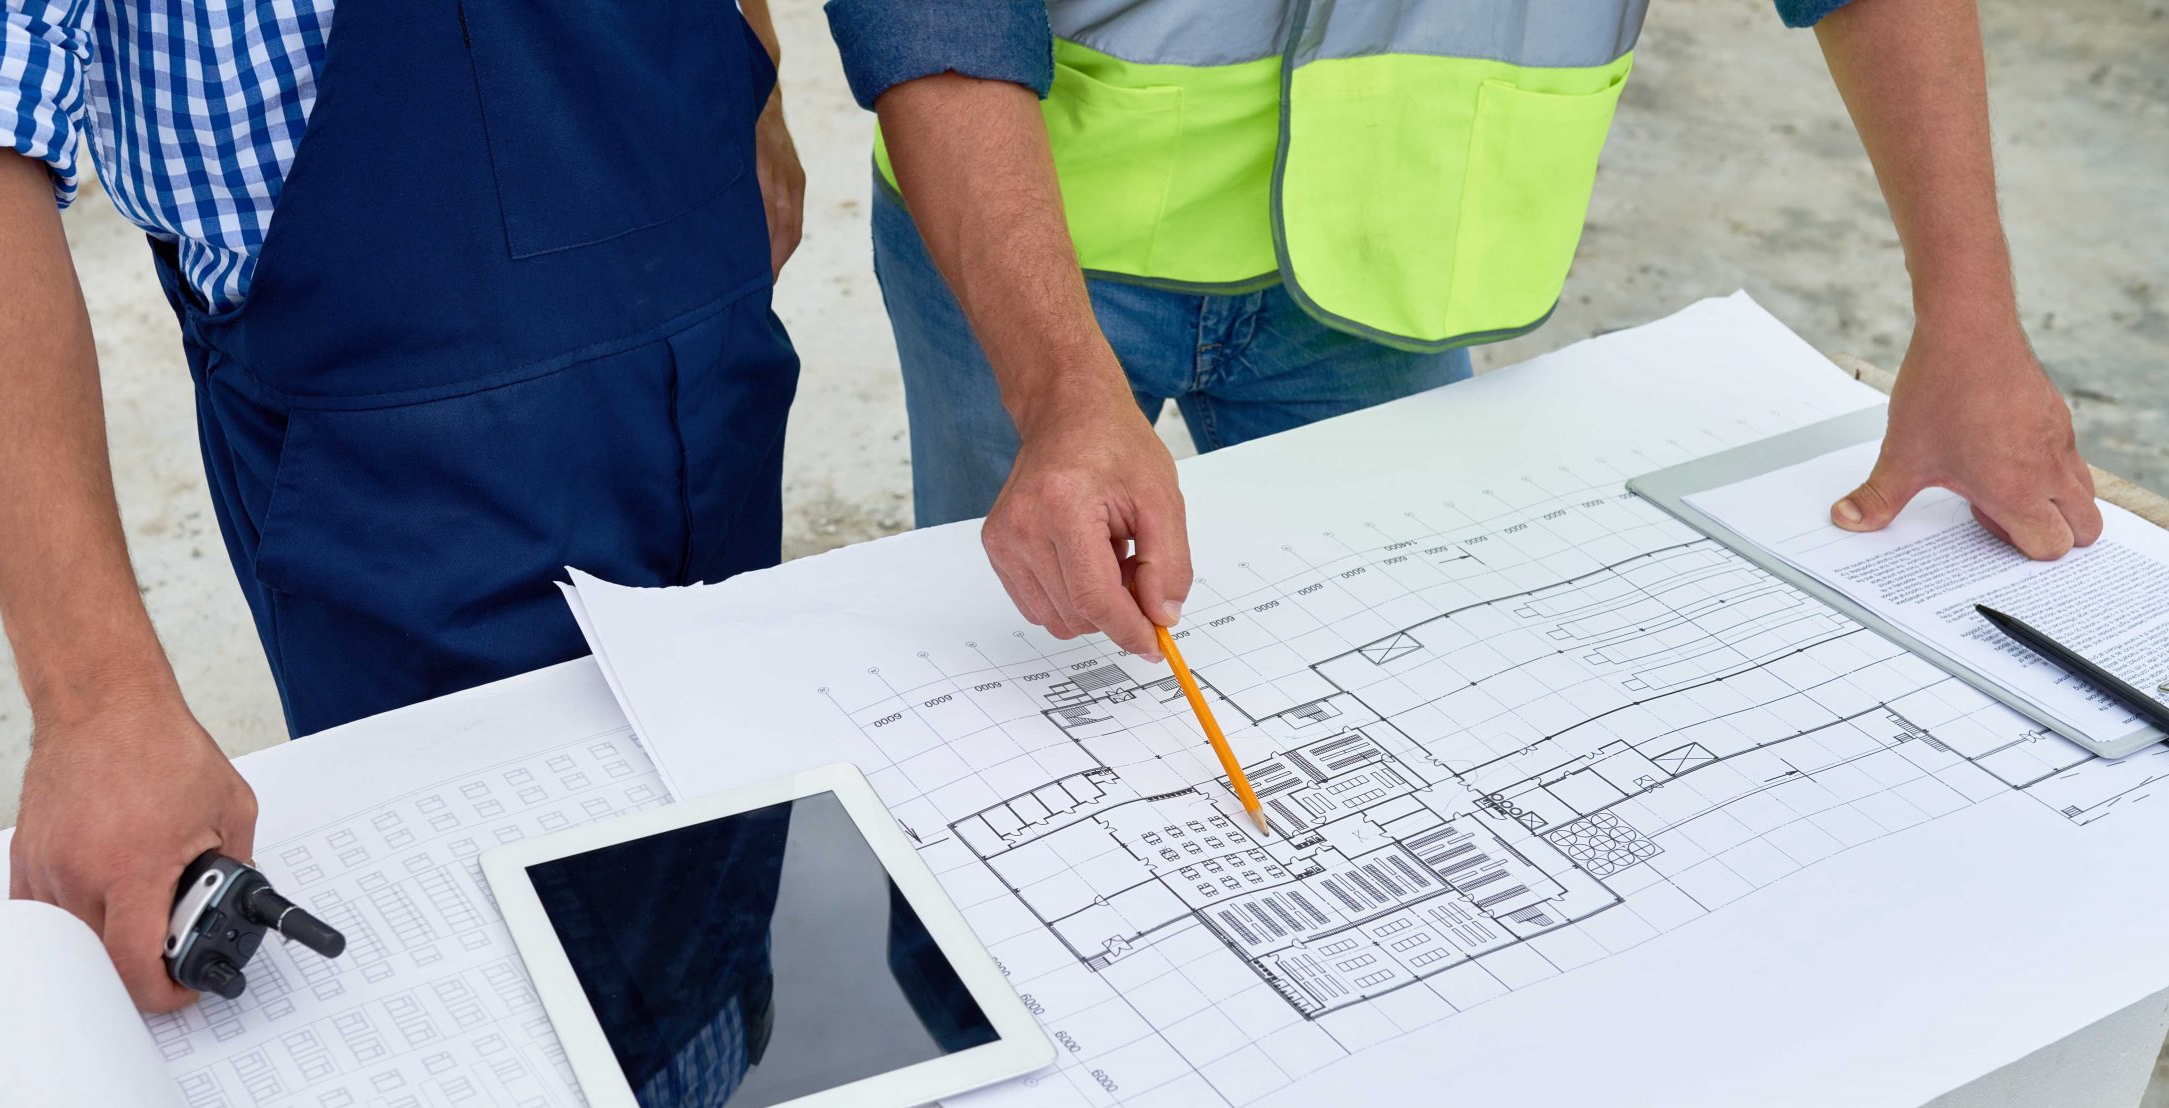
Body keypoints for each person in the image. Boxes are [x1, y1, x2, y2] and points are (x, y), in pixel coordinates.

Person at [0, 0, 811, 1012]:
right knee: (506, 976)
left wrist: (754, 81)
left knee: (741, 853)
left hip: (711, 311)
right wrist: (93, 704)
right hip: (404, 450)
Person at [826, 0, 2104, 662]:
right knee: (1020, 684)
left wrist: (1971, 317)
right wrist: (1059, 388)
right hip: (1031, 248)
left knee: (1388, 691)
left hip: (1396, 255)